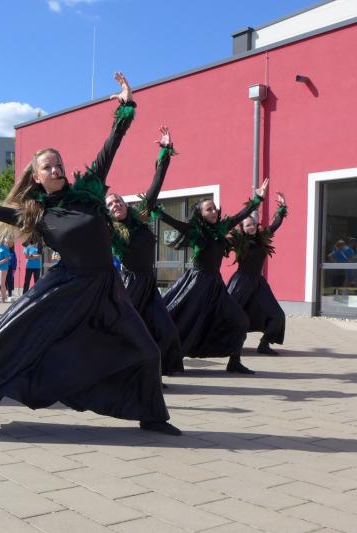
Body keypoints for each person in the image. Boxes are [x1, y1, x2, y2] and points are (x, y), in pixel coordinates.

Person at [0, 72, 179, 439]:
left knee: (147, 349)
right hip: (65, 288)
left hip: (106, 288)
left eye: (58, 163)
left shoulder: (90, 190)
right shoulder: (36, 213)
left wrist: (126, 106)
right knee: (13, 341)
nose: (56, 169)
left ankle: (151, 415)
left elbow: (111, 145)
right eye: (47, 166)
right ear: (36, 177)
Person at [152, 179, 270, 374]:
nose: (214, 211)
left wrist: (258, 199)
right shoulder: (195, 232)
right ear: (200, 214)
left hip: (215, 284)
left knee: (240, 319)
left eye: (214, 208)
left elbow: (241, 215)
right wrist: (157, 210)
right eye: (209, 209)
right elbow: (174, 223)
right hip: (196, 284)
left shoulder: (221, 228)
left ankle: (234, 362)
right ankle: (164, 361)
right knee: (183, 321)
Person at [105, 126, 183, 376]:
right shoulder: (110, 231)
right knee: (124, 332)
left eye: (118, 201)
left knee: (166, 331)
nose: (115, 205)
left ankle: (154, 375)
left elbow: (156, 184)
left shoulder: (140, 216)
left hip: (149, 284)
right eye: (110, 204)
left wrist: (165, 152)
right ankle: (114, 374)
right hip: (129, 286)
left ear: (125, 204)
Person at [227, 193, 288, 355]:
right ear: (242, 228)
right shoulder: (237, 241)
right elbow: (222, 241)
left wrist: (282, 207)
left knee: (277, 314)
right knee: (228, 314)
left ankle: (264, 344)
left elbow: (275, 224)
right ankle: (225, 343)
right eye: (248, 225)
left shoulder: (262, 238)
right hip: (241, 282)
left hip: (258, 283)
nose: (252, 227)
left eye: (253, 224)